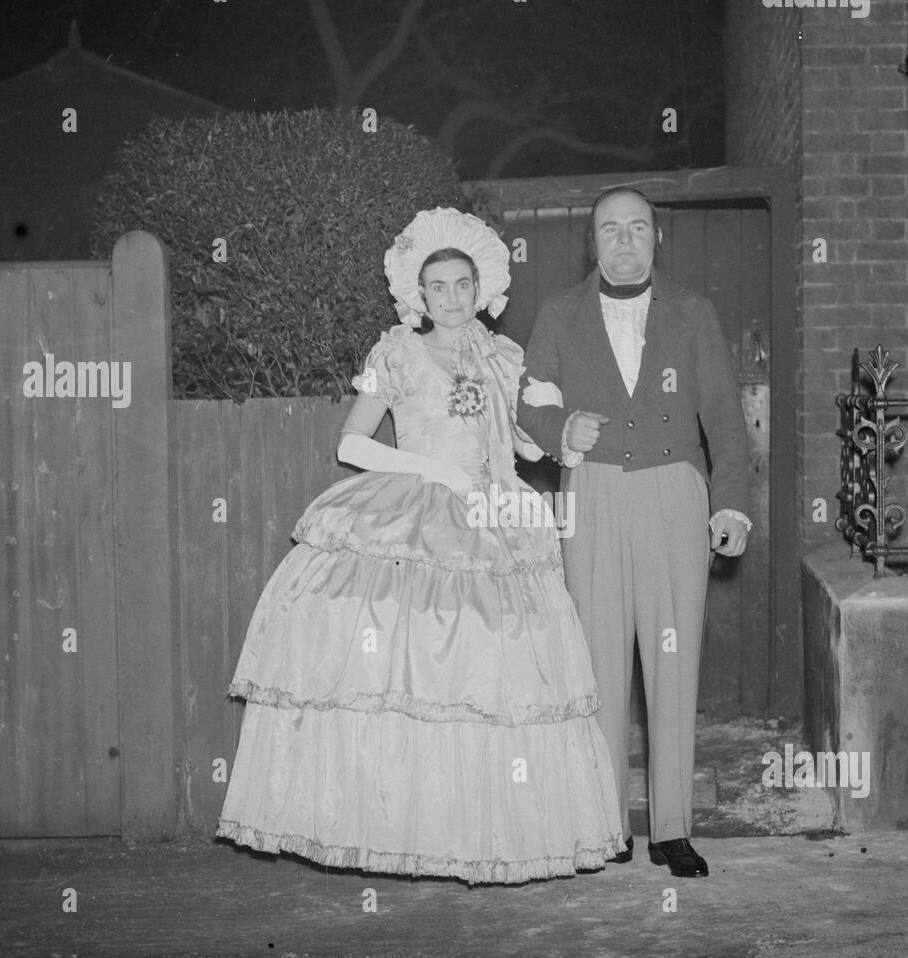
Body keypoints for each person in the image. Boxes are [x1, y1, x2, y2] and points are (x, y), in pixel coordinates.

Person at [216, 206, 627, 885]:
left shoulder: (505, 357)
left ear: (482, 288)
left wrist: (549, 442)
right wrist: (433, 471)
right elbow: (351, 443)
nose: (454, 297)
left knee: (496, 678)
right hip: (418, 510)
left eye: (464, 284)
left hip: (498, 514)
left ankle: (481, 836)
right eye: (439, 287)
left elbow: (518, 437)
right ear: (419, 295)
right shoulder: (396, 354)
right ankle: (401, 826)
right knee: (411, 675)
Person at [515, 187, 752, 878]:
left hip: (675, 493)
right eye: (609, 230)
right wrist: (561, 431)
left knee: (673, 659)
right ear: (592, 242)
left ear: (656, 239)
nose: (623, 241)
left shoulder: (693, 313)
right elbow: (529, 405)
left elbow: (726, 420)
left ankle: (673, 829)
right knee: (599, 660)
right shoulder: (559, 314)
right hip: (591, 494)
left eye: (637, 228)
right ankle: (605, 823)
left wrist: (730, 505)